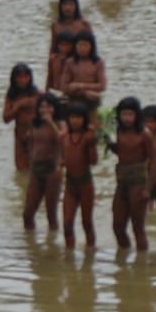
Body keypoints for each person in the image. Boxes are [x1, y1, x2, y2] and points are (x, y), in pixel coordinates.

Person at [108, 97, 153, 251]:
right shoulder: (118, 131)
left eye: (130, 114)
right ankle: (124, 255)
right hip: (122, 180)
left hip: (138, 181)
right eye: (124, 114)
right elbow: (122, 151)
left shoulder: (144, 134)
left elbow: (153, 161)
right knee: (117, 226)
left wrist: (148, 189)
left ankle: (142, 262)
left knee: (137, 227)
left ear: (137, 115)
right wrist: (108, 142)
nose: (127, 118)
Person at [22, 93, 63, 231]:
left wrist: (50, 122)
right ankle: (30, 241)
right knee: (27, 214)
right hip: (36, 169)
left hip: (52, 170)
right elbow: (30, 143)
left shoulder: (59, 124)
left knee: (51, 214)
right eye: (42, 107)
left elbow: (62, 139)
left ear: (55, 108)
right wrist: (30, 156)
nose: (44, 110)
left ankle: (52, 241)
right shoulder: (35, 124)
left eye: (49, 107)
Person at [61, 102, 97, 248]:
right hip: (70, 184)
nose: (75, 121)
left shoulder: (87, 137)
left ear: (84, 119)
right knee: (67, 223)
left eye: (79, 118)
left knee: (86, 222)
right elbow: (62, 158)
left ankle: (90, 252)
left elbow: (93, 161)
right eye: (72, 117)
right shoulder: (64, 137)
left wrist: (92, 144)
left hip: (85, 184)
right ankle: (69, 254)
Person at [3, 63, 40, 172]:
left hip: (36, 136)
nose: (23, 80)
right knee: (21, 171)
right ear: (14, 79)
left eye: (25, 77)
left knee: (37, 170)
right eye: (19, 77)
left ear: (30, 78)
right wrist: (19, 106)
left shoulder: (37, 94)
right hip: (20, 137)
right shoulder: (11, 96)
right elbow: (6, 118)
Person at [59, 31, 107, 115]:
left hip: (91, 101)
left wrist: (81, 85)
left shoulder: (98, 63)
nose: (82, 48)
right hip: (74, 100)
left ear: (91, 46)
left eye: (85, 45)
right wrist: (83, 92)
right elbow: (64, 87)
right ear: (75, 46)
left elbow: (102, 86)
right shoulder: (70, 62)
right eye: (80, 45)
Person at [46, 29, 76, 95]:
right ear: (58, 45)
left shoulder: (75, 60)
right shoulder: (53, 59)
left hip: (71, 93)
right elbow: (49, 80)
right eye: (62, 45)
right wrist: (46, 93)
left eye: (67, 45)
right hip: (56, 91)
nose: (65, 48)